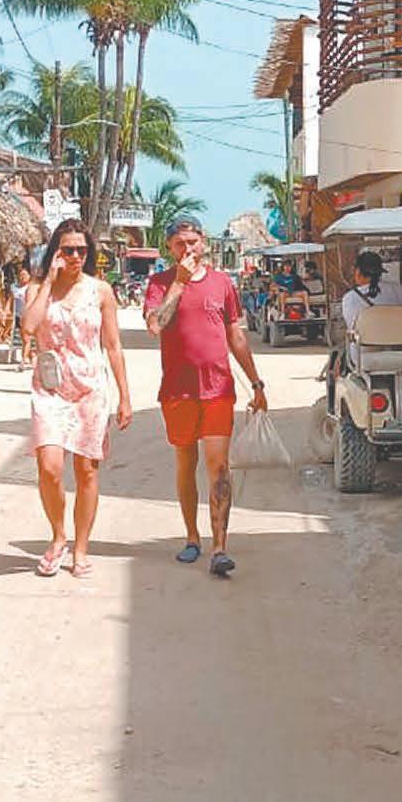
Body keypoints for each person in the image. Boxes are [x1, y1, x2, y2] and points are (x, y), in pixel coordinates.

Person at [145, 217, 269, 578]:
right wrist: (179, 284)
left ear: (204, 243)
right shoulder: (159, 284)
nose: (188, 249)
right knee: (186, 464)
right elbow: (156, 324)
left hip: (218, 388)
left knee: (219, 466)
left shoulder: (222, 283)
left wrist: (256, 383)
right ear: (170, 247)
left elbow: (236, 336)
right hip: (178, 390)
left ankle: (219, 547)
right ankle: (191, 537)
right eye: (180, 243)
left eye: (193, 242)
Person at [24, 219, 131, 579]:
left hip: (90, 389)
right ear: (55, 251)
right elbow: (28, 326)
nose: (74, 256)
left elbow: (113, 346)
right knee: (49, 467)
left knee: (86, 471)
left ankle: (81, 548)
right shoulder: (38, 288)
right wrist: (49, 282)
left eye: (81, 251)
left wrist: (125, 396)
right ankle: (58, 536)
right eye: (67, 250)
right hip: (50, 388)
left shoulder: (100, 291)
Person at [339, 250, 402, 330]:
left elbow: (353, 328)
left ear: (358, 272)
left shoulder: (348, 299)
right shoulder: (397, 290)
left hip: (365, 344)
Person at [11, 264, 35, 367]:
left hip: (28, 315)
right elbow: (11, 300)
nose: (23, 277)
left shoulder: (30, 287)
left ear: (29, 276)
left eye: (25, 275)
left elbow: (30, 301)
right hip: (17, 315)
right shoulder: (14, 287)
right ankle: (31, 356)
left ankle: (24, 360)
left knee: (26, 338)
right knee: (24, 338)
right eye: (21, 275)